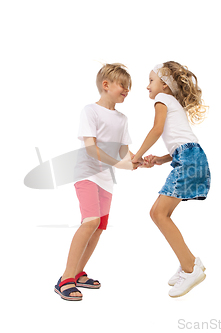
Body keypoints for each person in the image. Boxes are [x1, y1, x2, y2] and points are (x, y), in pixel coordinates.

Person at [54, 63, 139, 301]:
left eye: (129, 87)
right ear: (106, 85)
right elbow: (91, 149)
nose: (127, 90)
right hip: (87, 173)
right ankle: (65, 279)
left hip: (105, 180)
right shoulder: (90, 111)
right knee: (90, 222)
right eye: (123, 85)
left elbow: (125, 152)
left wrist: (140, 160)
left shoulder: (122, 119)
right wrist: (120, 164)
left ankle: (79, 273)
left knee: (99, 228)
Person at [132, 61, 211, 298]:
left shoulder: (163, 100)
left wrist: (136, 156)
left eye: (151, 81)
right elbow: (183, 142)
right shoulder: (173, 102)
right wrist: (161, 159)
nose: (147, 87)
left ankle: (190, 268)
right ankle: (189, 261)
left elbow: (157, 130)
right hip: (189, 157)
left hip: (189, 159)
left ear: (165, 85)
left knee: (159, 214)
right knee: (157, 212)